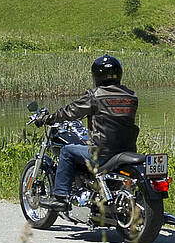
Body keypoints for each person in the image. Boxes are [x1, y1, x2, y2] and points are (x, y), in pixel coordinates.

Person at [32, 55, 140, 211]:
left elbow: (70, 111)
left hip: (103, 153)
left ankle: (60, 197)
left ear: (96, 75)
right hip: (127, 150)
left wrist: (49, 118)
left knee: (67, 151)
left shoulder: (95, 96)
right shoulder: (131, 96)